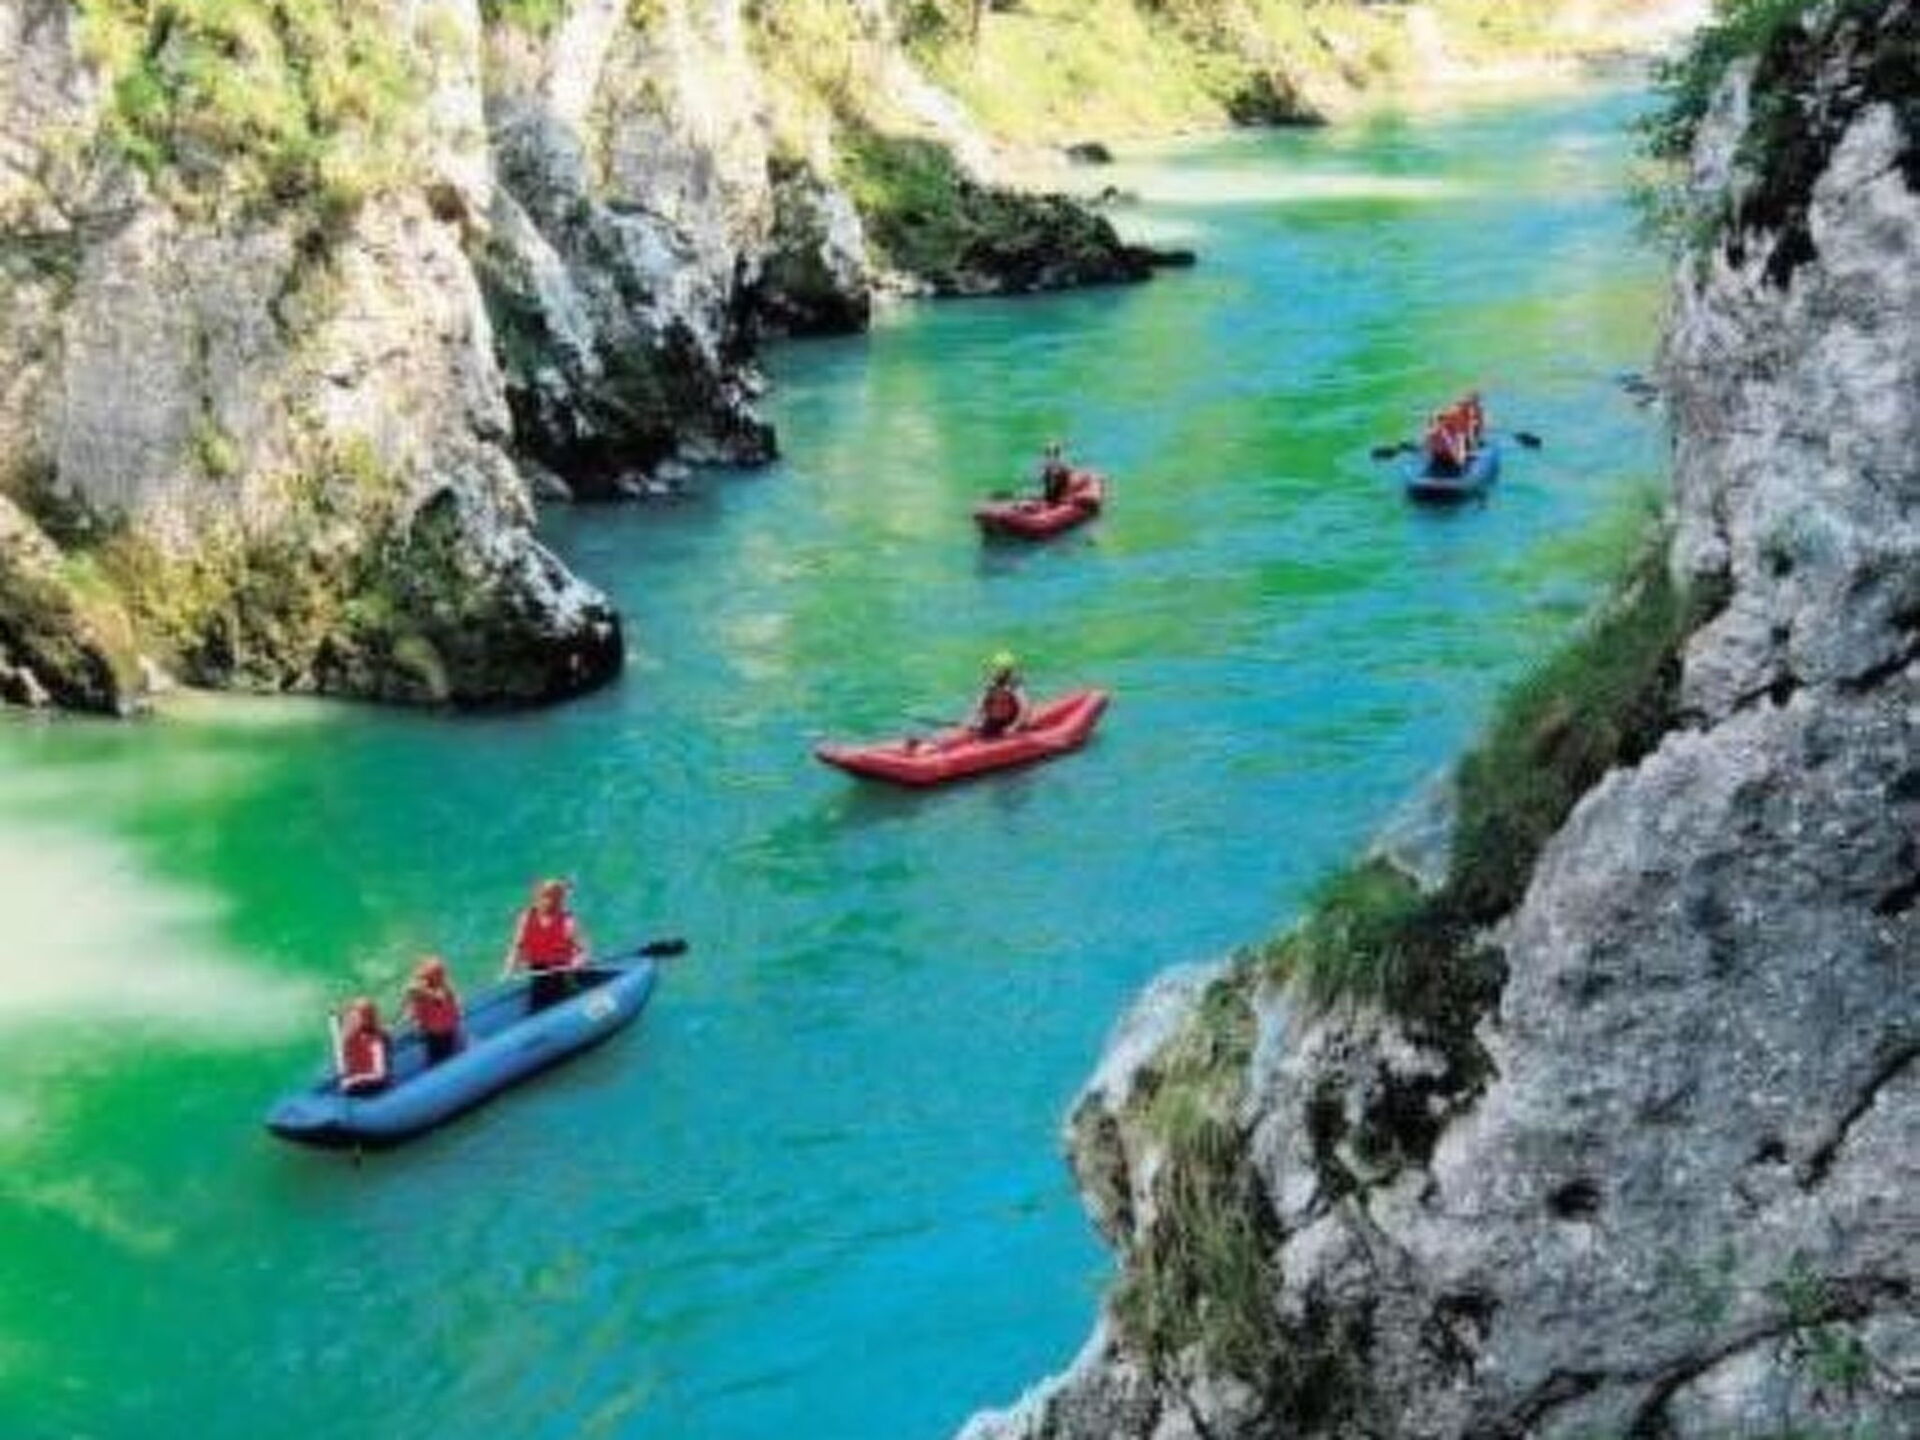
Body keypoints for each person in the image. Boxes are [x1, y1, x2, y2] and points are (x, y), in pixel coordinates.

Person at [503, 878, 588, 1012]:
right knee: (538, 1003)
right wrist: (508, 970)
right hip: (538, 973)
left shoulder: (567, 920)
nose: (543, 902)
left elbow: (583, 951)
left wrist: (577, 962)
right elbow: (517, 946)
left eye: (550, 898)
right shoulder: (526, 917)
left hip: (561, 973)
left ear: (557, 900)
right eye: (541, 897)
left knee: (559, 999)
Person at [404, 955, 464, 1064]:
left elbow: (440, 998)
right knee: (434, 1057)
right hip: (432, 1035)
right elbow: (411, 1005)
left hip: (448, 1032)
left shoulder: (446, 989)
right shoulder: (420, 993)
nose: (442, 976)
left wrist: (423, 992)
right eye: (437, 974)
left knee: (451, 1054)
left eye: (441, 974)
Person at [334, 998, 391, 1096]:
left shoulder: (375, 1040)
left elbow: (380, 1075)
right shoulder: (349, 1038)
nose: (350, 1021)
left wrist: (355, 1079)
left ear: (366, 1019)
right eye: (349, 1018)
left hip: (375, 1084)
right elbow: (347, 1064)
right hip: (358, 1082)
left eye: (354, 1018)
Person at [971, 652, 1032, 739]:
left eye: (997, 669)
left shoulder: (1014, 686)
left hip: (1011, 721)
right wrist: (975, 721)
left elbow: (1025, 709)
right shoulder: (991, 685)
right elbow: (979, 705)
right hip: (994, 721)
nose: (994, 671)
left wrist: (1014, 727)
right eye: (995, 669)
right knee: (981, 732)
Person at [1424, 408, 1468, 476]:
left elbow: (1459, 458)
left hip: (1453, 463)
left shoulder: (1457, 435)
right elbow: (1428, 452)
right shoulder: (1433, 434)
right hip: (1439, 461)